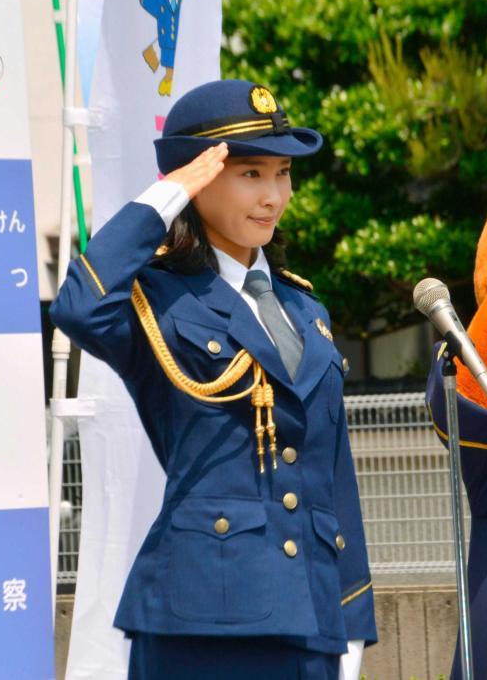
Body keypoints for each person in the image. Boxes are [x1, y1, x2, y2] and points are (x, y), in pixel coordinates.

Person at [50, 79, 377, 679]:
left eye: (282, 174)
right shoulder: (158, 298)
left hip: (310, 616)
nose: (273, 196)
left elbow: (333, 474)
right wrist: (167, 194)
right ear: (199, 180)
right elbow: (78, 307)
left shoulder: (308, 311)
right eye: (250, 174)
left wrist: (353, 620)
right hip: (201, 618)